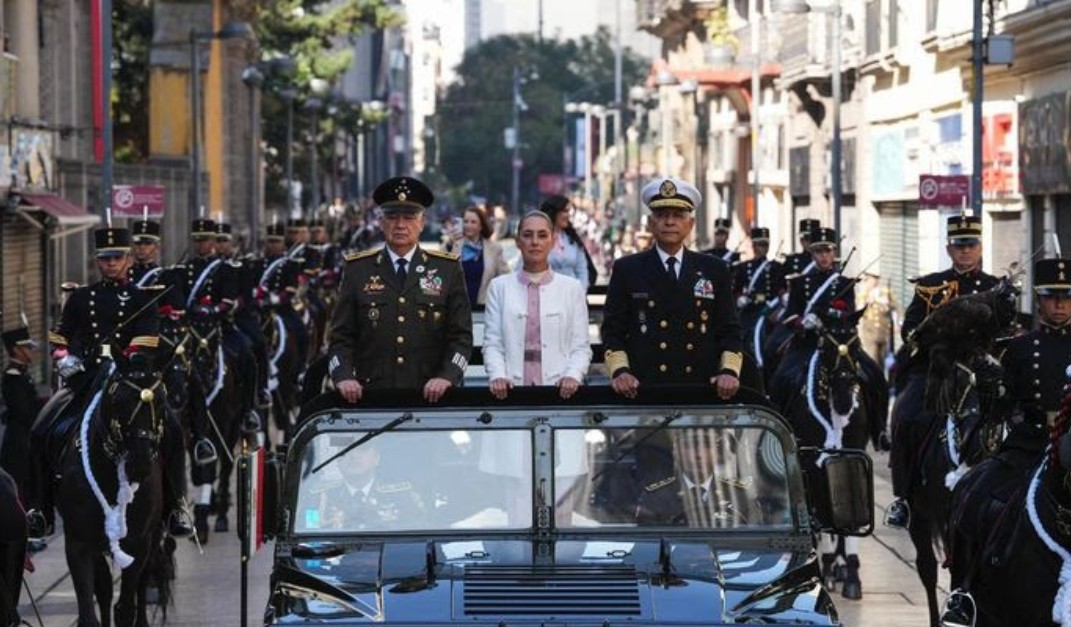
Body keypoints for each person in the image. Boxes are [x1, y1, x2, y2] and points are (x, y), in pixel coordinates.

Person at [29, 226, 162, 537]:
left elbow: (147, 340)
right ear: (97, 261)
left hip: (128, 380)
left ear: (129, 259)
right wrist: (64, 357)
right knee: (39, 431)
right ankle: (41, 511)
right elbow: (60, 333)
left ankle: (176, 508)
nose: (111, 264)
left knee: (168, 427)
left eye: (117, 257)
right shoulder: (81, 297)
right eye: (105, 259)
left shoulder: (143, 299)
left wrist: (127, 358)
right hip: (85, 378)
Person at [886, 214, 1001, 528]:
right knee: (906, 417)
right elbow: (910, 330)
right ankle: (904, 497)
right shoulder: (930, 285)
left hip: (981, 376)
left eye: (971, 245)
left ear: (980, 247)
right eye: (959, 245)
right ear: (949, 249)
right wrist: (932, 340)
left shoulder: (996, 287)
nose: (965, 251)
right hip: (936, 373)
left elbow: (1007, 335)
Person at [328, 176, 473, 403]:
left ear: (422, 222)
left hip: (432, 398)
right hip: (371, 397)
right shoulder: (358, 269)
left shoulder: (447, 269)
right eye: (392, 217)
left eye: (409, 217)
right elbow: (340, 337)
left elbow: (461, 337)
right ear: (381, 222)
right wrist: (343, 376)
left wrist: (447, 377)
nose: (400, 225)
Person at [601, 177, 744, 400]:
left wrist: (728, 372)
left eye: (678, 215)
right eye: (662, 215)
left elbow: (730, 330)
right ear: (650, 223)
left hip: (701, 389)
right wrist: (621, 371)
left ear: (691, 223)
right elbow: (612, 331)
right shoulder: (627, 269)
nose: (669, 222)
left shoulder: (714, 269)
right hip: (644, 389)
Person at [483, 210, 592, 400]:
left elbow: (581, 346)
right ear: (518, 241)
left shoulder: (572, 288)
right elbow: (492, 342)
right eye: (527, 235)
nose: (535, 242)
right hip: (510, 392)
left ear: (552, 240)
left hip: (560, 392)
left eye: (542, 235)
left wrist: (572, 375)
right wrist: (498, 375)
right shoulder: (499, 287)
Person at [309, 439, 426, 532]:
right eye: (346, 450)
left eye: (362, 449)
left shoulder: (402, 497)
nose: (353, 455)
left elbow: (416, 535)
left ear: (376, 458)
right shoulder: (319, 500)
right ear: (338, 460)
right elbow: (309, 536)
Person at [1, 326, 41, 499]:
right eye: (28, 348)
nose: (32, 352)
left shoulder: (22, 374)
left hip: (26, 437)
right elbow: (22, 411)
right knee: (20, 487)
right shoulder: (13, 376)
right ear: (17, 350)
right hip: (19, 441)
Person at [448, 206, 511, 306]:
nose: (468, 225)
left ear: (481, 226)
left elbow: (505, 279)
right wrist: (449, 244)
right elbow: (442, 273)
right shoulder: (453, 245)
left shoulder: (494, 249)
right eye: (465, 221)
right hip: (458, 308)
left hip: (485, 308)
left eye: (473, 222)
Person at [540, 195, 594, 287]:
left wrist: (579, 293)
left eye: (569, 211)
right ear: (554, 212)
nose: (568, 215)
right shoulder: (537, 239)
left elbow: (582, 272)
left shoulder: (573, 240)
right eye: (565, 211)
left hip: (573, 296)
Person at [858, 272, 897, 368]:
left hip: (883, 332)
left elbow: (895, 308)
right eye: (872, 279)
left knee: (883, 360)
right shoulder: (864, 294)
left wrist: (897, 323)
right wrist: (867, 301)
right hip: (870, 334)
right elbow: (859, 310)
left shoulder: (885, 292)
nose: (874, 281)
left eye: (876, 279)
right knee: (873, 360)